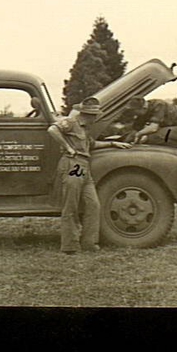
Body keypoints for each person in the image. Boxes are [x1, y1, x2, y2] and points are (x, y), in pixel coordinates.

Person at [48, 97, 132, 255]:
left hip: (83, 166)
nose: (95, 118)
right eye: (94, 115)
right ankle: (70, 246)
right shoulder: (71, 123)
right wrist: (68, 147)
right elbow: (52, 130)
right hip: (74, 165)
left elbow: (91, 145)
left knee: (93, 205)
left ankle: (89, 243)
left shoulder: (85, 128)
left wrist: (112, 143)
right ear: (87, 115)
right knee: (71, 206)